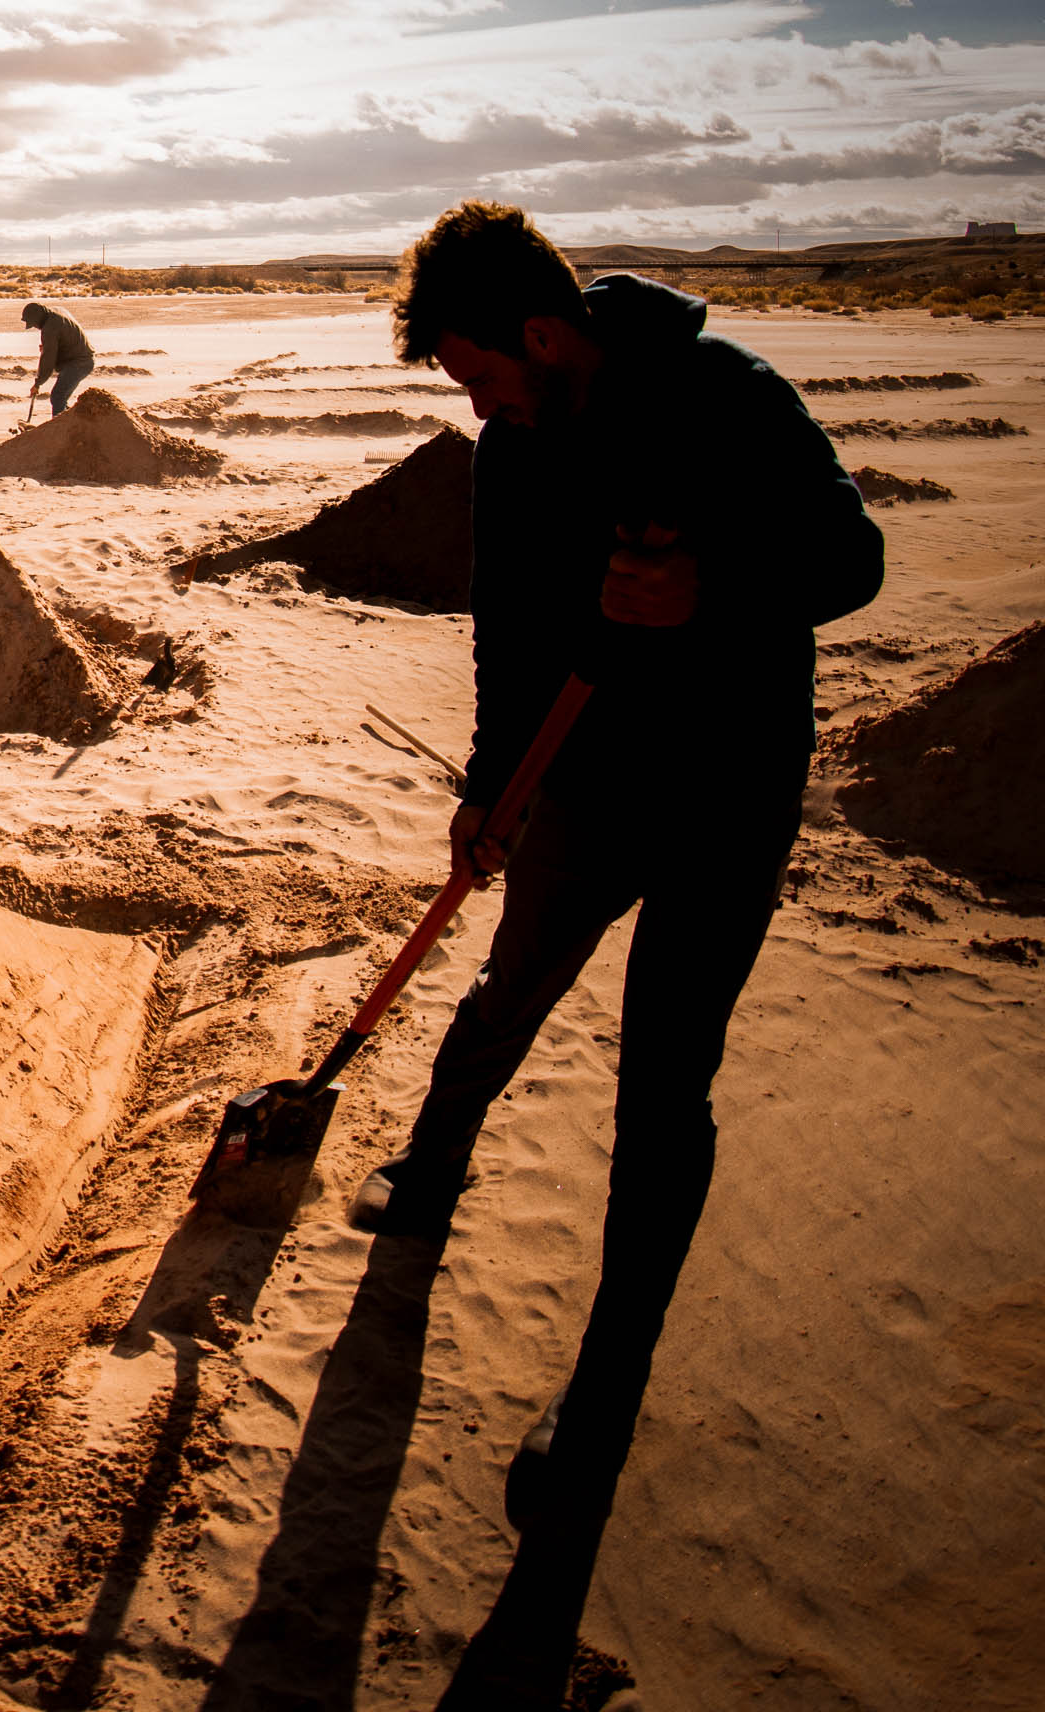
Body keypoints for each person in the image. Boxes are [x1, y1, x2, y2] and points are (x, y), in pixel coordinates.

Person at [358, 201, 882, 1524]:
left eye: (480, 377)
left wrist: (715, 579)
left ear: (544, 333)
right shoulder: (511, 457)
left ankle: (601, 1398)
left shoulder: (724, 394)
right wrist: (490, 789)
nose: (476, 412)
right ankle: (432, 1162)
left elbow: (852, 556)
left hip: (727, 790)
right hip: (582, 785)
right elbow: (508, 628)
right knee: (512, 984)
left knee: (663, 1092)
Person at [23, 300, 93, 414]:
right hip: (82, 358)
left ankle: (61, 430)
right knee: (61, 398)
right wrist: (49, 345)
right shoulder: (57, 311)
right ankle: (69, 423)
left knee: (58, 396)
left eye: (34, 324)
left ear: (38, 318)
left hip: (79, 362)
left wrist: (38, 383)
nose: (35, 327)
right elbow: (63, 337)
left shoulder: (49, 329)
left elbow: (48, 360)